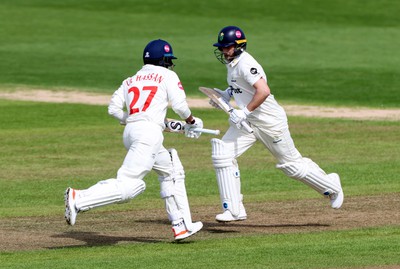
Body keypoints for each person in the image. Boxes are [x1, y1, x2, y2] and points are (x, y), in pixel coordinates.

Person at [64, 39, 204, 240]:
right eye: (168, 60)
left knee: (171, 170)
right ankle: (79, 199)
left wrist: (131, 120)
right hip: (148, 135)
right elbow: (180, 106)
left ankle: (181, 224)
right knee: (130, 186)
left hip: (131, 132)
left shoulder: (130, 80)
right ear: (163, 60)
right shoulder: (168, 75)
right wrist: (190, 121)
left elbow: (113, 109)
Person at [209, 26, 344, 222]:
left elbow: (263, 91)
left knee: (291, 166)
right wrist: (225, 95)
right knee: (222, 154)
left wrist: (244, 111)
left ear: (239, 46)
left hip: (269, 122)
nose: (223, 51)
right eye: (221, 48)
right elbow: (239, 88)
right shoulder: (232, 64)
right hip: (248, 123)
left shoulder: (246, 63)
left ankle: (331, 186)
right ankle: (235, 210)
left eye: (227, 47)